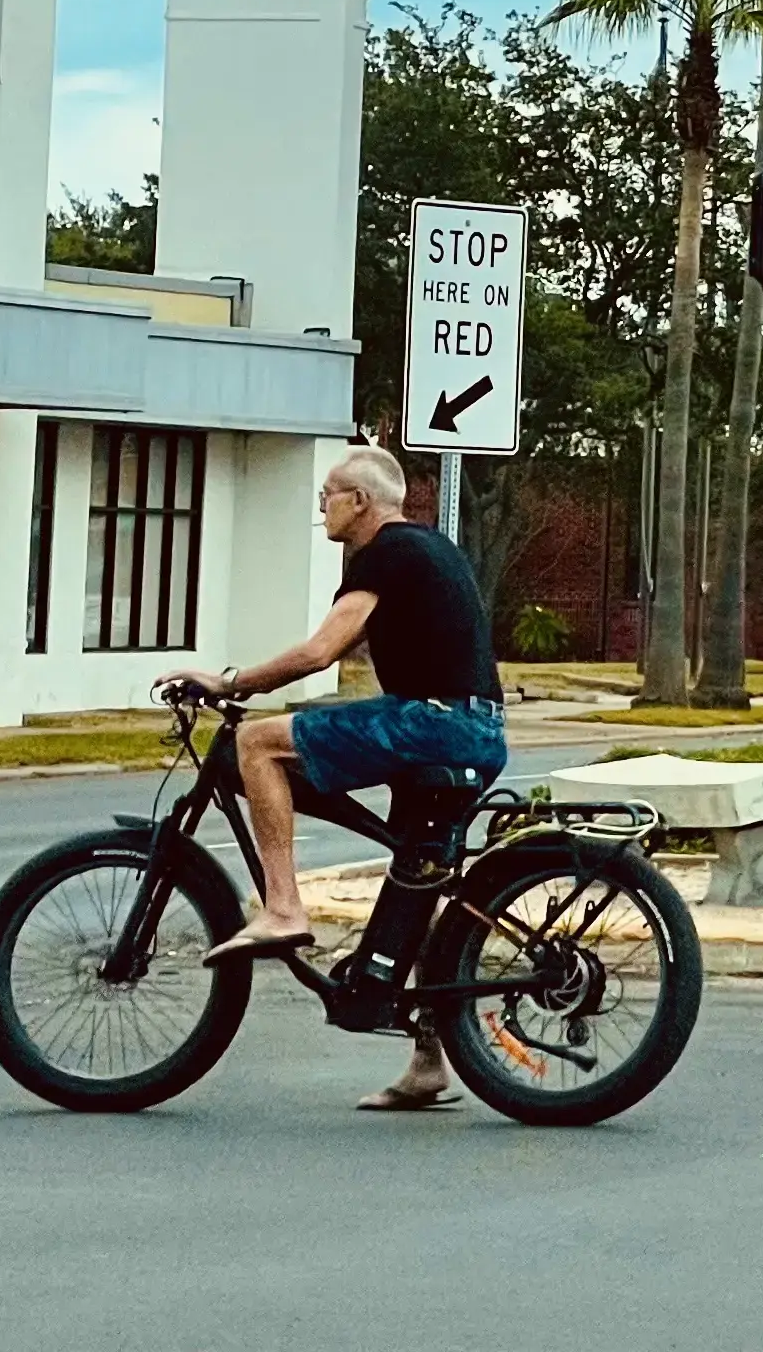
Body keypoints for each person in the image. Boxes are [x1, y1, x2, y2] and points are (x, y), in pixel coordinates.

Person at [180, 442, 505, 1112]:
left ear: (360, 501)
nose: (321, 506)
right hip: (475, 730)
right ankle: (430, 1061)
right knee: (420, 881)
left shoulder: (385, 550)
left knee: (258, 742)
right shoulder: (426, 549)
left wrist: (230, 682)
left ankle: (282, 908)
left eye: (327, 494)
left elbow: (320, 651)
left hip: (435, 723)